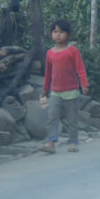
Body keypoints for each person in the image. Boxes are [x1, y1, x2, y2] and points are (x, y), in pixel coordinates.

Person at [39, 19, 89, 154]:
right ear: (51, 34)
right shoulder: (50, 53)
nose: (58, 35)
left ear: (68, 34)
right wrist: (45, 89)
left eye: (61, 32)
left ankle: (73, 143)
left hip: (71, 91)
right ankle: (51, 143)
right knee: (52, 116)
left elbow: (80, 69)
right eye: (55, 32)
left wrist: (84, 84)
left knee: (72, 119)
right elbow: (48, 73)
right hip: (55, 91)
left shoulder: (73, 51)